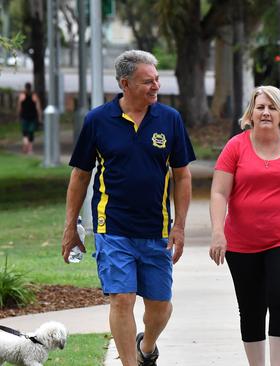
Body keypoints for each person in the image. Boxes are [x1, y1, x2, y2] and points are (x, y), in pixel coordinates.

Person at [61, 50, 195, 366]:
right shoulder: (97, 120)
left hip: (157, 229)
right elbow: (80, 175)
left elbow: (182, 175)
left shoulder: (169, 119)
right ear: (125, 83)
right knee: (121, 299)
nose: (156, 86)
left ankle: (146, 346)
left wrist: (180, 226)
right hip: (112, 227)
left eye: (157, 80)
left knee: (160, 305)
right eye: (147, 81)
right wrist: (70, 227)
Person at [209, 85, 280, 366]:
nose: (265, 112)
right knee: (251, 309)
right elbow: (219, 192)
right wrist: (217, 233)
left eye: (272, 107)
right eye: (260, 107)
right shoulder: (235, 146)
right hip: (241, 242)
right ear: (251, 112)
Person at [16, 82, 42, 155]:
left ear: (25, 87)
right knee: (31, 133)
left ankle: (25, 146)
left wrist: (18, 116)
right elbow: (38, 108)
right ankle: (30, 149)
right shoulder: (34, 96)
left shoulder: (22, 96)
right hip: (33, 117)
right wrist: (40, 117)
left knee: (25, 133)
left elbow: (19, 107)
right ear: (31, 87)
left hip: (24, 117)